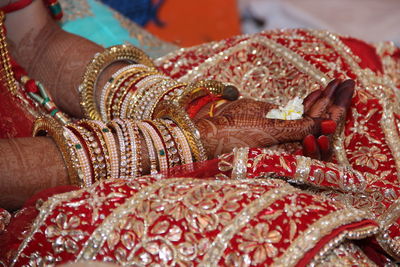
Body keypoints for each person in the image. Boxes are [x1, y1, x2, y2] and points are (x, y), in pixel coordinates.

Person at [0, 0, 399, 266]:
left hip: (51, 114)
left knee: (331, 77)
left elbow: (37, 42)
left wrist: (195, 107)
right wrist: (190, 141)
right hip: (22, 194)